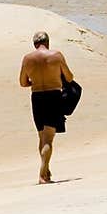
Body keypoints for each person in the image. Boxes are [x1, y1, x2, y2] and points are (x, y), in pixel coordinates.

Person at [18, 30, 74, 184]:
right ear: (47, 43)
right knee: (49, 138)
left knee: (42, 137)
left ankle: (47, 171)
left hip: (37, 98)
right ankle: (42, 174)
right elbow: (69, 77)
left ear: (34, 44)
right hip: (53, 97)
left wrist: (34, 82)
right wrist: (55, 78)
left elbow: (23, 82)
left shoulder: (27, 59)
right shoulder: (56, 56)